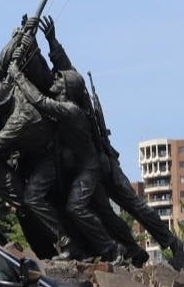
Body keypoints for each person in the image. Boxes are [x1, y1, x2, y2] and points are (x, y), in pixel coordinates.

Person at [39, 16, 184, 269]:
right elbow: (67, 70)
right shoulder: (71, 95)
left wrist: (53, 43)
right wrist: (51, 42)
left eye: (59, 80)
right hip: (90, 167)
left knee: (134, 206)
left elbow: (69, 71)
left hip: (105, 162)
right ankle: (133, 251)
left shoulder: (76, 101)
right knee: (106, 214)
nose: (55, 80)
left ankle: (172, 242)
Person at [8, 60, 121, 263]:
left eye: (60, 79)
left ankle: (111, 249)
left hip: (88, 169)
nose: (55, 79)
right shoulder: (67, 107)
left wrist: (18, 76)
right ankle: (83, 249)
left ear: (68, 89)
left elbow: (40, 101)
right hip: (72, 168)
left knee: (75, 207)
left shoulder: (71, 110)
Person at [0, 79, 63, 258]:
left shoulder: (19, 118)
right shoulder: (15, 93)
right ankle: (46, 252)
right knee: (24, 209)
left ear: (0, 105)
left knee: (32, 199)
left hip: (49, 158)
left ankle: (66, 242)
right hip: (31, 158)